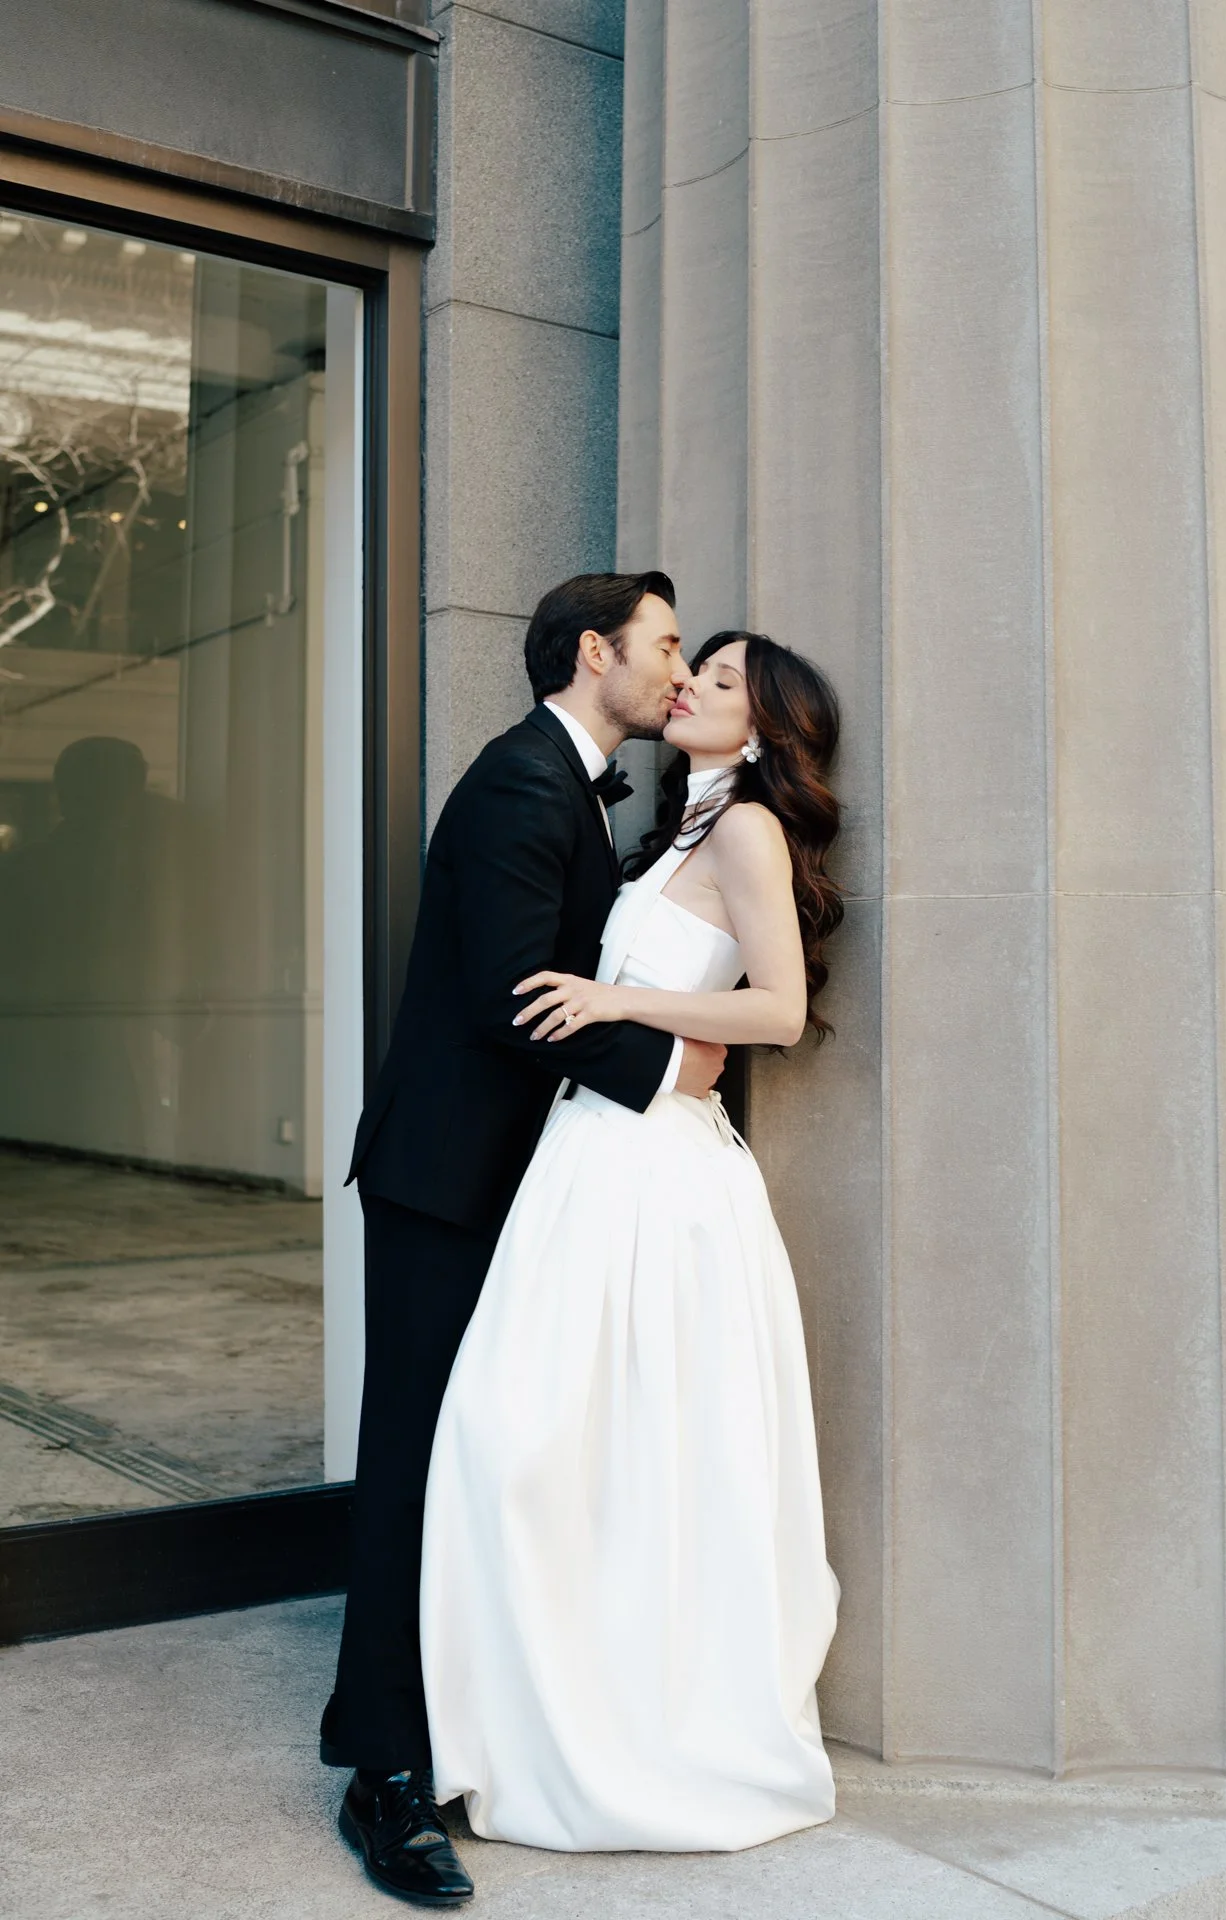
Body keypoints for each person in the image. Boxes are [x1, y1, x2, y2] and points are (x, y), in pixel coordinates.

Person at [322, 573, 728, 1906]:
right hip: (449, 1182)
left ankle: (467, 1723)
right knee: (414, 1462)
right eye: (666, 645)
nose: (678, 669)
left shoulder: (575, 782)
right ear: (596, 651)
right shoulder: (518, 781)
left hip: (517, 1185)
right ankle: (381, 1773)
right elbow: (516, 997)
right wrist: (669, 1073)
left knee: (484, 1460)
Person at [421, 630, 844, 1852]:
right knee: (533, 1442)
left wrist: (618, 999)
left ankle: (637, 1729)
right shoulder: (673, 833)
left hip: (659, 1181)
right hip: (588, 1161)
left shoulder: (750, 830)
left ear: (759, 726)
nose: (686, 685)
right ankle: (530, 1718)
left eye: (715, 681)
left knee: (630, 1452)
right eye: (686, 663)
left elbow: (776, 1009)